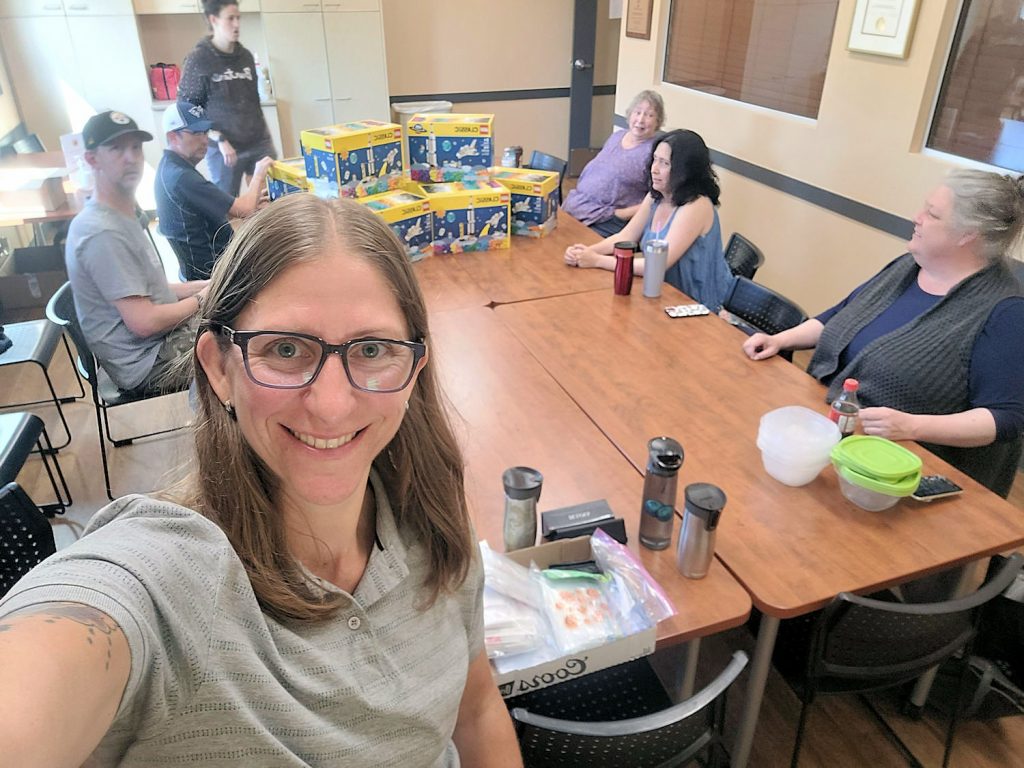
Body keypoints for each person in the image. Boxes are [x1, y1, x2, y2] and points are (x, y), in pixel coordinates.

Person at [0, 195, 523, 766]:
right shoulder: (165, 579)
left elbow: (475, 711)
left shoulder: (431, 515)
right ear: (219, 369)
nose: (329, 405)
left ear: (414, 370)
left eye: (372, 350)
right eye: (285, 349)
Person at [742, 169, 1024, 497]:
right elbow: (841, 315)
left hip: (899, 476)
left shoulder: (1004, 311)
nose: (916, 218)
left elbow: (1006, 418)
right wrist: (780, 339)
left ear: (967, 234)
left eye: (931, 214)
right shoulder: (909, 266)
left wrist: (910, 425)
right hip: (838, 441)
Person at [65, 110, 207, 395]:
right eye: (116, 148)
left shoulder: (121, 212)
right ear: (92, 159)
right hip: (147, 364)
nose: (131, 157)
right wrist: (203, 298)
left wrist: (205, 286)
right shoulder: (102, 232)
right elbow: (145, 322)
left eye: (135, 147)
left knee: (240, 318)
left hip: (156, 344)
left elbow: (149, 288)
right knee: (242, 348)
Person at [565, 129, 736, 311]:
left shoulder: (696, 206)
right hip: (663, 297)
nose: (654, 168)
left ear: (684, 170)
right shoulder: (657, 196)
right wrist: (584, 252)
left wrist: (597, 260)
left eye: (664, 163)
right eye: (655, 159)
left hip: (697, 306)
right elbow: (625, 236)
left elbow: (656, 266)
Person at [156, 100, 272, 280]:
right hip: (212, 275)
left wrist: (249, 203)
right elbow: (245, 210)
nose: (204, 140)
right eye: (196, 133)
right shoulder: (182, 178)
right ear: (173, 137)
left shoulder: (171, 167)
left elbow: (213, 212)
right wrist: (258, 175)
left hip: (213, 265)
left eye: (205, 133)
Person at [178, 0, 277, 196]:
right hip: (225, 148)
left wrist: (267, 139)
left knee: (269, 199)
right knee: (227, 207)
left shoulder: (245, 56)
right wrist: (219, 138)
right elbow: (187, 110)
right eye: (230, 18)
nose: (237, 24)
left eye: (238, 18)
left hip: (257, 142)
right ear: (213, 20)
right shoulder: (199, 60)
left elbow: (253, 102)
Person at [562, 89, 665, 237]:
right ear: (630, 114)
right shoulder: (618, 136)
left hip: (608, 218)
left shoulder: (655, 151)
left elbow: (658, 198)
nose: (641, 120)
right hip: (579, 204)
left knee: (567, 244)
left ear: (658, 122)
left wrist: (620, 214)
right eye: (637, 112)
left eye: (649, 115)